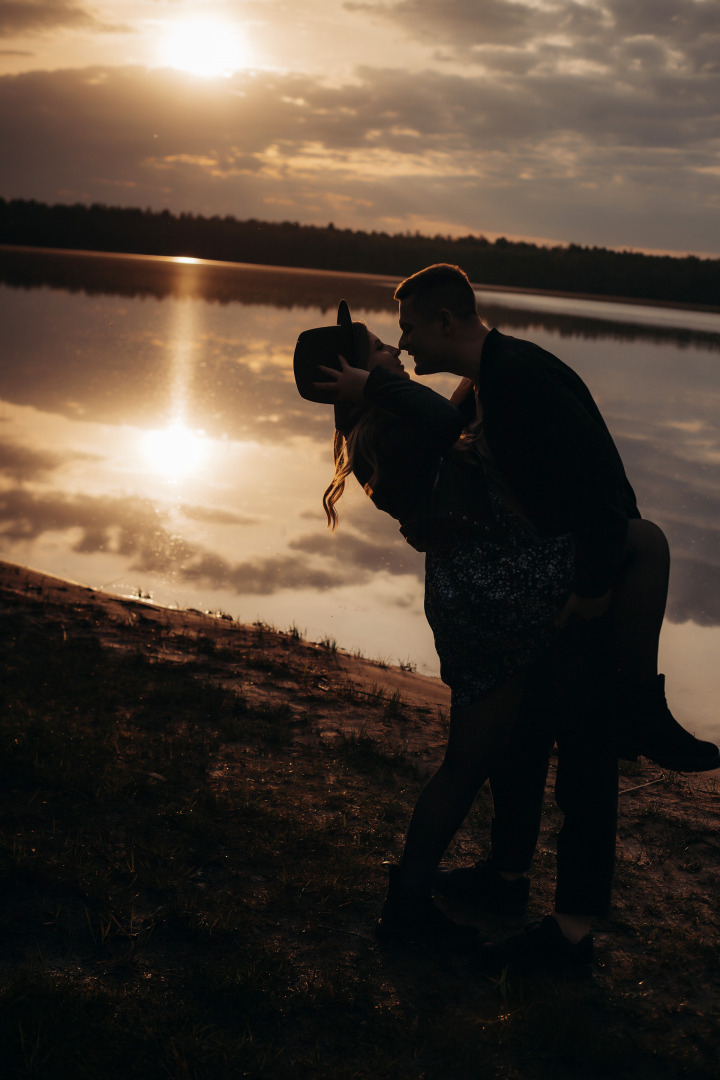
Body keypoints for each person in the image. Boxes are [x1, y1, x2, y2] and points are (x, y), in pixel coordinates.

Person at [389, 263, 720, 973]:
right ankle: (506, 880)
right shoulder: (478, 389)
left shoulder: (523, 378)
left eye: (411, 326)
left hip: (585, 588)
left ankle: (570, 934)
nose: (406, 340)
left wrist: (596, 589)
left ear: (447, 319)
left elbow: (603, 492)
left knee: (588, 759)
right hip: (538, 593)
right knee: (523, 741)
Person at [294, 301, 620, 970]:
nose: (394, 351)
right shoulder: (392, 428)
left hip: (473, 598)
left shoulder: (382, 428)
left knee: (493, 749)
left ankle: (473, 885)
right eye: (382, 347)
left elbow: (462, 410)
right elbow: (447, 420)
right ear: (357, 373)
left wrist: (476, 355)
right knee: (468, 760)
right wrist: (381, 383)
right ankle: (406, 906)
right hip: (487, 602)